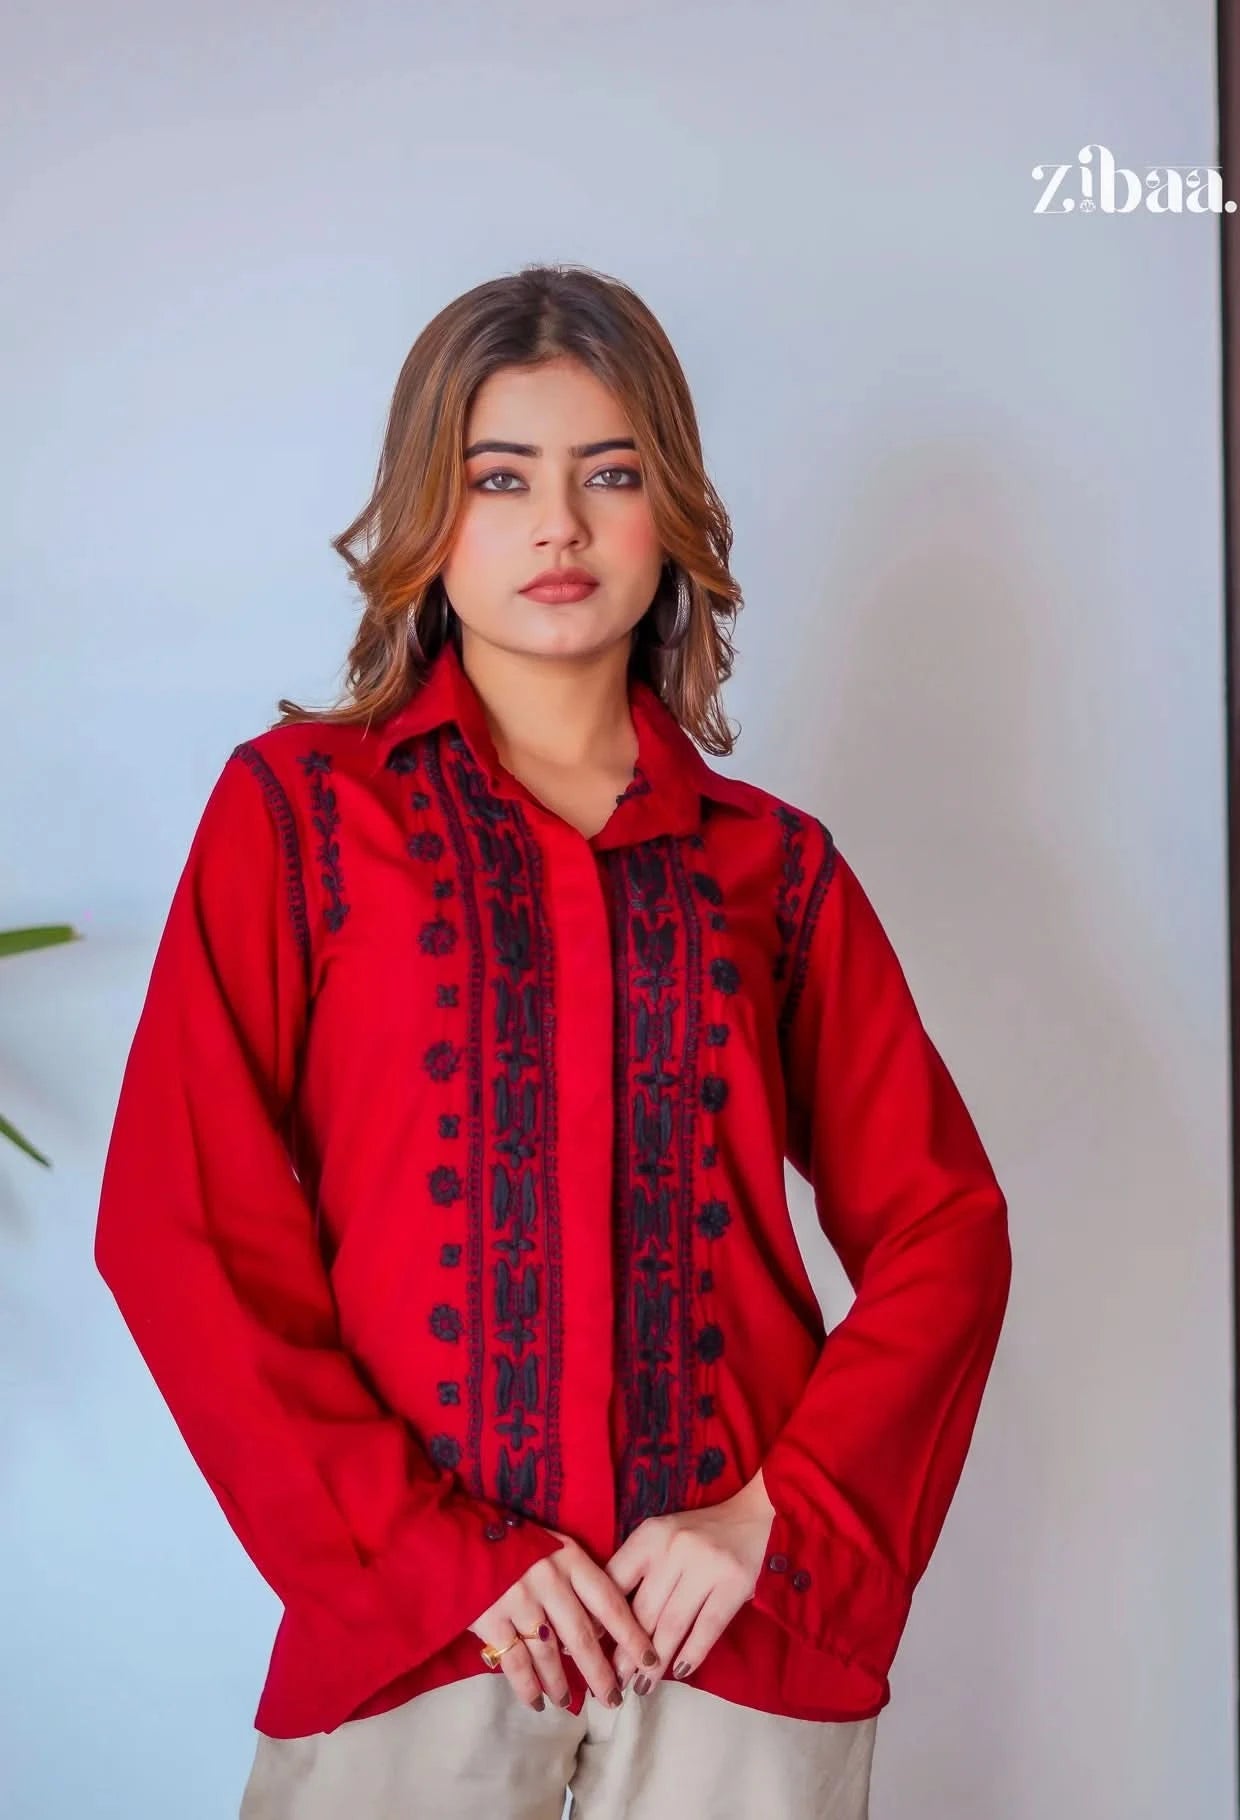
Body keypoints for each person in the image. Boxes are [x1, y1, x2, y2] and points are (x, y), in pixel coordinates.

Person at [94, 262, 1013, 1820]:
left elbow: (945, 1227)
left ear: (672, 519)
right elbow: (180, 1226)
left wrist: (775, 1517)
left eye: (610, 475)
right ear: (427, 520)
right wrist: (425, 1555)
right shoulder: (305, 816)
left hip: (726, 1649)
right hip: (423, 1645)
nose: (559, 527)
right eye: (499, 478)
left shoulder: (774, 870)